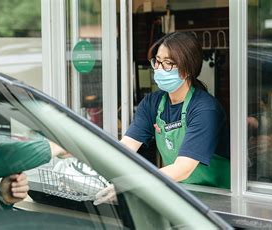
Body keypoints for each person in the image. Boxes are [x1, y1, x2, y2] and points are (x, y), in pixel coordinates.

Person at [95, 32, 230, 205]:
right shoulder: (153, 103)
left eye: (168, 63)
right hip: (181, 192)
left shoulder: (205, 109)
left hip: (218, 197)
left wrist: (132, 185)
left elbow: (183, 169)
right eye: (157, 61)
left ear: (187, 69)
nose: (159, 68)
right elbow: (126, 148)